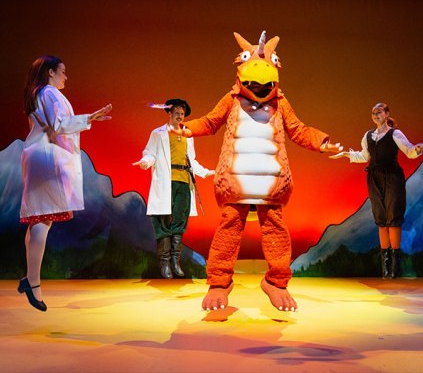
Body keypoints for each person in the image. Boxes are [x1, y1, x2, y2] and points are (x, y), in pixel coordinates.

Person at [172, 31, 342, 312]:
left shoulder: (280, 103)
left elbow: (298, 130)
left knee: (276, 231)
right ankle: (219, 283)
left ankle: (276, 282)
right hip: (236, 182)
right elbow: (211, 121)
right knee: (229, 229)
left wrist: (321, 143)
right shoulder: (231, 100)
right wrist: (188, 128)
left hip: (270, 184)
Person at [19, 55, 112, 311]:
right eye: (63, 71)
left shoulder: (39, 94)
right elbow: (59, 125)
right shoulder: (49, 93)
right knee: (43, 219)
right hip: (46, 158)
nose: (66, 77)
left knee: (38, 219)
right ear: (50, 72)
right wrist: (89, 117)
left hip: (38, 156)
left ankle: (30, 278)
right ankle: (33, 283)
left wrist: (87, 119)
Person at [330, 102, 423, 279]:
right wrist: (346, 154)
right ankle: (385, 264)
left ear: (386, 114)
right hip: (374, 178)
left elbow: (409, 151)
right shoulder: (368, 135)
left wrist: (417, 149)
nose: (376, 115)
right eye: (373, 113)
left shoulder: (395, 134)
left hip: (392, 177)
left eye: (379, 112)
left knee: (393, 218)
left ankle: (395, 263)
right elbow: (364, 156)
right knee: (381, 219)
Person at [132, 99, 214, 279]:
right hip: (166, 181)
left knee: (179, 221)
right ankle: (164, 262)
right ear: (169, 113)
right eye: (176, 112)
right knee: (162, 221)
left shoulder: (188, 135)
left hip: (184, 182)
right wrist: (145, 162)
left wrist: (205, 172)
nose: (179, 116)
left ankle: (175, 261)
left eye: (182, 113)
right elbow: (150, 153)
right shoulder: (158, 133)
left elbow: (191, 160)